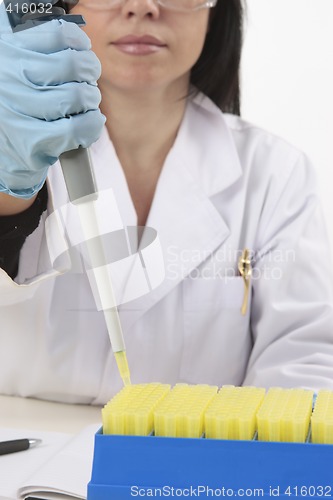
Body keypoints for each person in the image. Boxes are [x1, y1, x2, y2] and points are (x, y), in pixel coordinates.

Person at [0, 0, 332, 406]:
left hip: (201, 466)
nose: (142, 7)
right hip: (22, 459)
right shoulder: (12, 148)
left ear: (218, 12)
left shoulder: (274, 173)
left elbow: (304, 363)